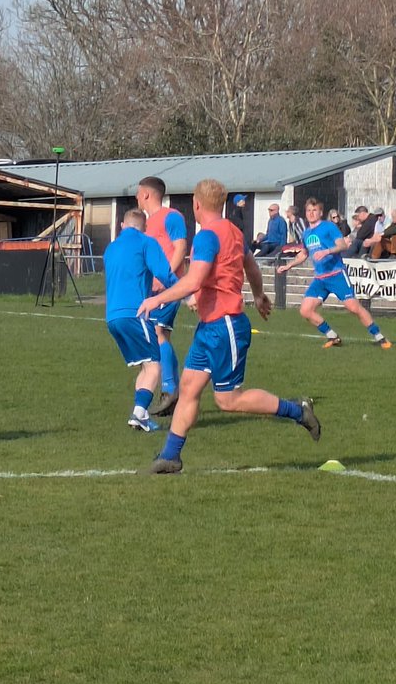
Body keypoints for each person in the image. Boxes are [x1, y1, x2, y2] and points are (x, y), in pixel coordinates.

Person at [137, 178, 320, 475]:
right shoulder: (233, 231)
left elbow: (194, 280)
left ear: (197, 204)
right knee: (188, 388)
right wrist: (258, 295)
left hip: (225, 326)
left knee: (228, 400)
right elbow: (251, 266)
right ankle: (170, 456)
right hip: (210, 326)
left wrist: (157, 299)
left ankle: (298, 411)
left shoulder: (207, 236)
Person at [278, 197, 393, 349]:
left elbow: (342, 245)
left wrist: (326, 251)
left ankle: (380, 337)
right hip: (320, 278)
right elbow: (304, 253)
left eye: (314, 210)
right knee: (305, 310)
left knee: (353, 308)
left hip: (336, 274)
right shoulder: (306, 233)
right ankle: (332, 336)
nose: (311, 213)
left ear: (320, 213)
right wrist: (289, 265)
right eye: (308, 210)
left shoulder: (328, 227)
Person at [103, 209, 179, 432]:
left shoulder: (110, 248)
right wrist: (186, 292)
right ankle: (139, 414)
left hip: (112, 317)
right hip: (135, 314)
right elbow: (164, 273)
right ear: (144, 227)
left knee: (144, 367)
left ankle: (141, 415)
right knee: (154, 366)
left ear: (122, 225)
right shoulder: (146, 242)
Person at [136, 176, 189, 418]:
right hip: (155, 290)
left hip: (169, 288)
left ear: (146, 194)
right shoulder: (148, 223)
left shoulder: (171, 216)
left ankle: (169, 389)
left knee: (158, 334)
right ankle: (171, 390)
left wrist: (166, 277)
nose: (137, 198)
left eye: (138, 193)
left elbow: (181, 248)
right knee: (160, 336)